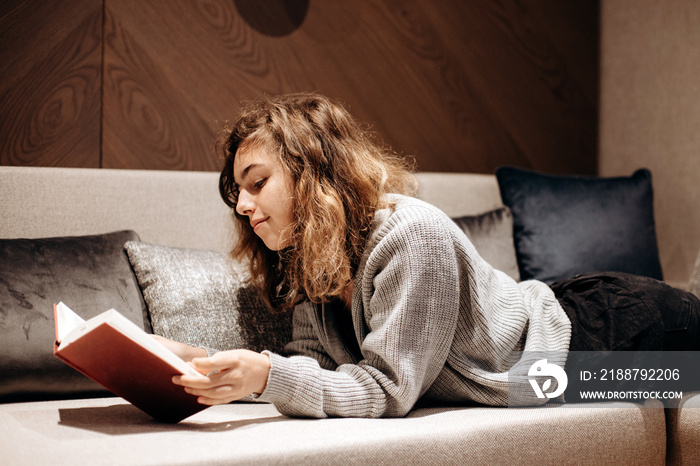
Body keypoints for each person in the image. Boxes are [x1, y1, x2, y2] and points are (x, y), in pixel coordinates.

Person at [164, 92, 700, 418]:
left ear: (313, 175)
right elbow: (318, 369)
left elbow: (389, 390)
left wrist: (265, 376)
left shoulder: (410, 235)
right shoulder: (309, 258)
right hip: (564, 335)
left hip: (599, 342)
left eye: (257, 183)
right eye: (237, 192)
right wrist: (212, 363)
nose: (244, 205)